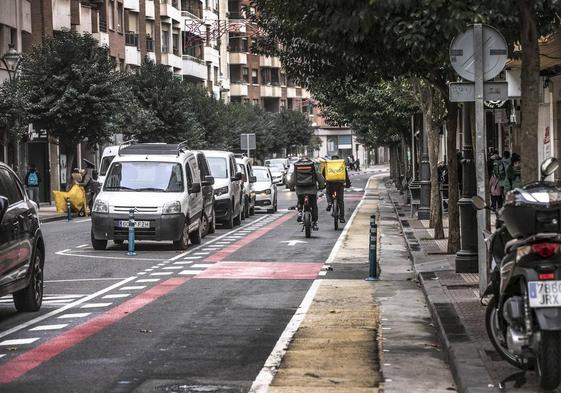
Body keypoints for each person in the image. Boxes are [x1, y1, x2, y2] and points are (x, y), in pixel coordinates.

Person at [294, 157, 325, 231]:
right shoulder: (312, 166)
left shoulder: (297, 166)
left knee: (300, 201)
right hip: (312, 190)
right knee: (314, 206)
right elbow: (319, 177)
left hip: (300, 190)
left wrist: (292, 186)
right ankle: (314, 223)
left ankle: (300, 212)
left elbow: (292, 178)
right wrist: (322, 186)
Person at [323, 155, 351, 223]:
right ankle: (342, 218)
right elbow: (346, 176)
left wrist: (324, 182)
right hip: (339, 185)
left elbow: (323, 174)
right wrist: (348, 184)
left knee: (328, 193)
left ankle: (329, 203)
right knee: (340, 201)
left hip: (330, 184)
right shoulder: (341, 165)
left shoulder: (328, 165)